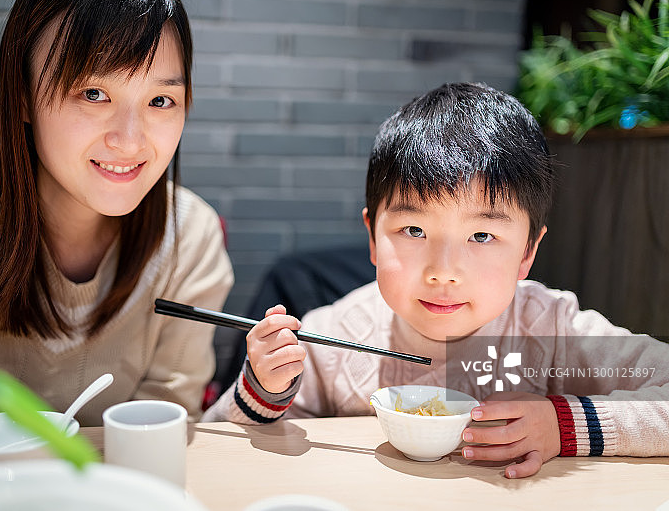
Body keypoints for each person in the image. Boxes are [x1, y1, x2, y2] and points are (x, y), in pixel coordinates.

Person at [203, 82, 669, 478]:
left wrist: (563, 425)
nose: (443, 270)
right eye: (414, 230)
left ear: (528, 252)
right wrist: (263, 391)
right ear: (372, 237)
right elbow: (217, 445)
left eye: (481, 235)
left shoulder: (553, 330)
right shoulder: (334, 337)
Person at [0, 0, 233, 432]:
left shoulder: (192, 236)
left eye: (161, 100)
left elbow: (163, 418)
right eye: (94, 94)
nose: (130, 140)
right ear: (21, 93)